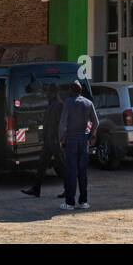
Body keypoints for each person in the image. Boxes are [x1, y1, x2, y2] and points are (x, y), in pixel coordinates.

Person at [57, 81, 98, 210]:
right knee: (82, 172)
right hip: (83, 140)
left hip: (71, 140)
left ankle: (70, 202)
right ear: (81, 90)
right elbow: (96, 122)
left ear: (71, 90)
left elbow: (63, 123)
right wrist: (91, 136)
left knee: (71, 172)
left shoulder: (68, 102)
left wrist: (61, 139)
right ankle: (83, 201)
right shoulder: (88, 103)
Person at [22, 84, 64, 198]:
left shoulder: (59, 105)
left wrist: (59, 139)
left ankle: (68, 190)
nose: (46, 94)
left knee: (61, 166)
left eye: (48, 92)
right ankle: (36, 189)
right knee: (41, 165)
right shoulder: (51, 104)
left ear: (54, 92)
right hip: (48, 141)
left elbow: (60, 123)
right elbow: (47, 121)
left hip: (54, 140)